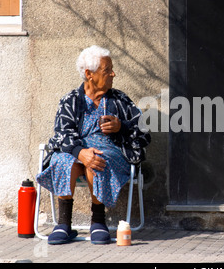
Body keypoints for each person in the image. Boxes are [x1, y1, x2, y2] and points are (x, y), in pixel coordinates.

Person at [36, 45, 151, 245]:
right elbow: (62, 134)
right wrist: (80, 152)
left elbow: (144, 133)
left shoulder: (119, 100)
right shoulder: (71, 100)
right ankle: (64, 224)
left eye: (111, 69)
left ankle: (98, 221)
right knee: (63, 160)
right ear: (89, 74)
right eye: (107, 71)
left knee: (96, 159)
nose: (113, 74)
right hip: (76, 152)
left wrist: (121, 127)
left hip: (110, 153)